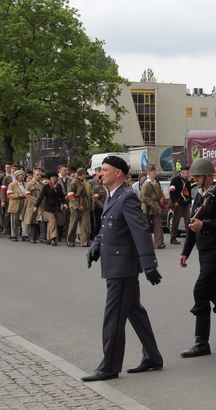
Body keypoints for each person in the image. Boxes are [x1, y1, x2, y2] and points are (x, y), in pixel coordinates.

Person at [82, 156, 163, 382]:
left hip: (122, 267)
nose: (100, 174)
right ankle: (153, 356)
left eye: (104, 170)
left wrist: (149, 263)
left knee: (114, 316)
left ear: (118, 172)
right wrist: (95, 246)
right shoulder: (112, 195)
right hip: (115, 263)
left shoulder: (126, 197)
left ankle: (109, 366)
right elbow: (108, 227)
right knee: (133, 310)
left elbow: (140, 231)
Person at [179, 158, 216, 358]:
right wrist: (185, 251)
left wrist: (204, 225)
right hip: (204, 251)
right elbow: (192, 223)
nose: (193, 179)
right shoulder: (200, 194)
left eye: (196, 176)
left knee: (201, 289)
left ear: (207, 175)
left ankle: (201, 342)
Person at [34, 171, 68, 246]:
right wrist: (36, 206)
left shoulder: (58, 186)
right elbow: (41, 197)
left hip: (56, 207)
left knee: (51, 223)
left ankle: (48, 238)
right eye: (52, 177)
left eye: (55, 177)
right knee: (53, 222)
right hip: (48, 207)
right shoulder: (46, 187)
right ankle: (53, 238)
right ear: (50, 178)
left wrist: (65, 203)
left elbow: (62, 196)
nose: (54, 179)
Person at [141, 165, 165, 249]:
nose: (156, 173)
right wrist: (154, 205)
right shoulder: (146, 184)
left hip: (156, 208)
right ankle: (143, 243)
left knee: (158, 225)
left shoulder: (156, 183)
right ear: (149, 173)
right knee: (145, 226)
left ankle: (158, 243)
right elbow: (144, 197)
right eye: (154, 172)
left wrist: (160, 202)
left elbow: (158, 195)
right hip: (147, 208)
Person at [67, 168, 91, 247]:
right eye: (84, 174)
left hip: (84, 205)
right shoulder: (74, 182)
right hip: (75, 206)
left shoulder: (84, 182)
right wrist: (77, 205)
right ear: (82, 174)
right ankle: (70, 240)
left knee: (85, 224)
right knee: (73, 223)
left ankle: (84, 241)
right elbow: (70, 195)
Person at [169, 166, 192, 244]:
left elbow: (189, 192)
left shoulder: (187, 181)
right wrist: (174, 201)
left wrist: (190, 202)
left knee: (188, 220)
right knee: (176, 220)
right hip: (178, 203)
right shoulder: (175, 180)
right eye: (187, 172)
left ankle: (189, 237)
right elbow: (171, 191)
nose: (188, 174)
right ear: (182, 172)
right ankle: (173, 237)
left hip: (186, 203)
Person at [23, 168, 44, 243]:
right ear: (33, 175)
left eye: (40, 175)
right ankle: (32, 237)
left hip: (42, 206)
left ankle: (42, 237)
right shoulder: (29, 184)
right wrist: (37, 201)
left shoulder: (43, 184)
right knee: (33, 221)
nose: (39, 176)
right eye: (37, 175)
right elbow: (27, 195)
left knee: (42, 221)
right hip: (32, 205)